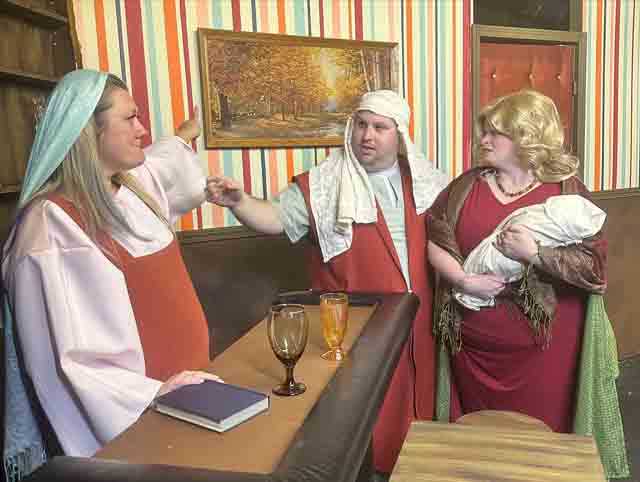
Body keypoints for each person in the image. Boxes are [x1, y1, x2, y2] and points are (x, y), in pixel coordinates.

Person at [207, 90, 449, 478]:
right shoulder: (323, 184)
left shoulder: (427, 182)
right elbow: (273, 219)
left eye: (380, 127)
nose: (367, 135)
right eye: (361, 125)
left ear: (400, 134)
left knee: (421, 418)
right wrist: (240, 202)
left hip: (421, 324)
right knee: (367, 428)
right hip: (357, 331)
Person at [2, 69, 218, 480]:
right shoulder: (53, 227)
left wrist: (185, 135)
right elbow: (69, 361)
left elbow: (165, 160)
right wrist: (155, 393)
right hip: (141, 414)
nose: (142, 129)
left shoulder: (134, 188)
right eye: (130, 118)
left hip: (187, 398)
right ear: (88, 132)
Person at [427, 89, 628, 478]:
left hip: (544, 351)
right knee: (479, 448)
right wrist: (464, 280)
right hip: (473, 349)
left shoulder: (565, 192)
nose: (483, 139)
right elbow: (436, 238)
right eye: (484, 131)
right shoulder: (464, 187)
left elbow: (593, 270)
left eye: (495, 133)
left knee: (541, 450)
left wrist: (534, 253)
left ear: (527, 137)